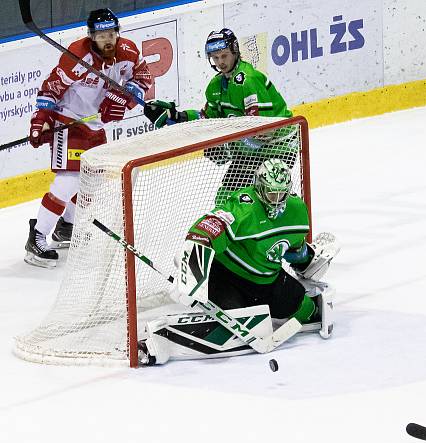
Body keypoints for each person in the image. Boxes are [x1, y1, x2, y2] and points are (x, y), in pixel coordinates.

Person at [138, 159, 337, 364]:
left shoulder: (297, 211)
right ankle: (156, 345)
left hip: (268, 280)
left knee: (306, 310)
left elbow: (292, 247)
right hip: (226, 276)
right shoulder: (243, 207)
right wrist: (192, 272)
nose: (276, 200)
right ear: (259, 188)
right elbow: (205, 229)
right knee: (241, 320)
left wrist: (307, 261)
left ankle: (305, 305)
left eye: (281, 193)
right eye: (271, 193)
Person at [25, 8, 152, 268]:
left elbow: (143, 78)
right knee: (68, 182)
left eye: (111, 33)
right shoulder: (77, 56)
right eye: (101, 35)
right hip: (69, 121)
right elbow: (51, 88)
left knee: (91, 184)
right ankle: (37, 236)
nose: (108, 40)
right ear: (91, 36)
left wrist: (123, 96)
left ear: (118, 32)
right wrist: (41, 120)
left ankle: (66, 227)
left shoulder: (128, 53)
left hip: (95, 126)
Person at [142, 28, 295, 205]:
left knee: (262, 196)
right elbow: (208, 119)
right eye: (215, 57)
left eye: (224, 56)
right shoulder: (215, 86)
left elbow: (263, 133)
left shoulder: (248, 80)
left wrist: (227, 147)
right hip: (252, 152)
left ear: (235, 51)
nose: (220, 62)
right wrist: (177, 116)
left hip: (279, 147)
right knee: (225, 200)